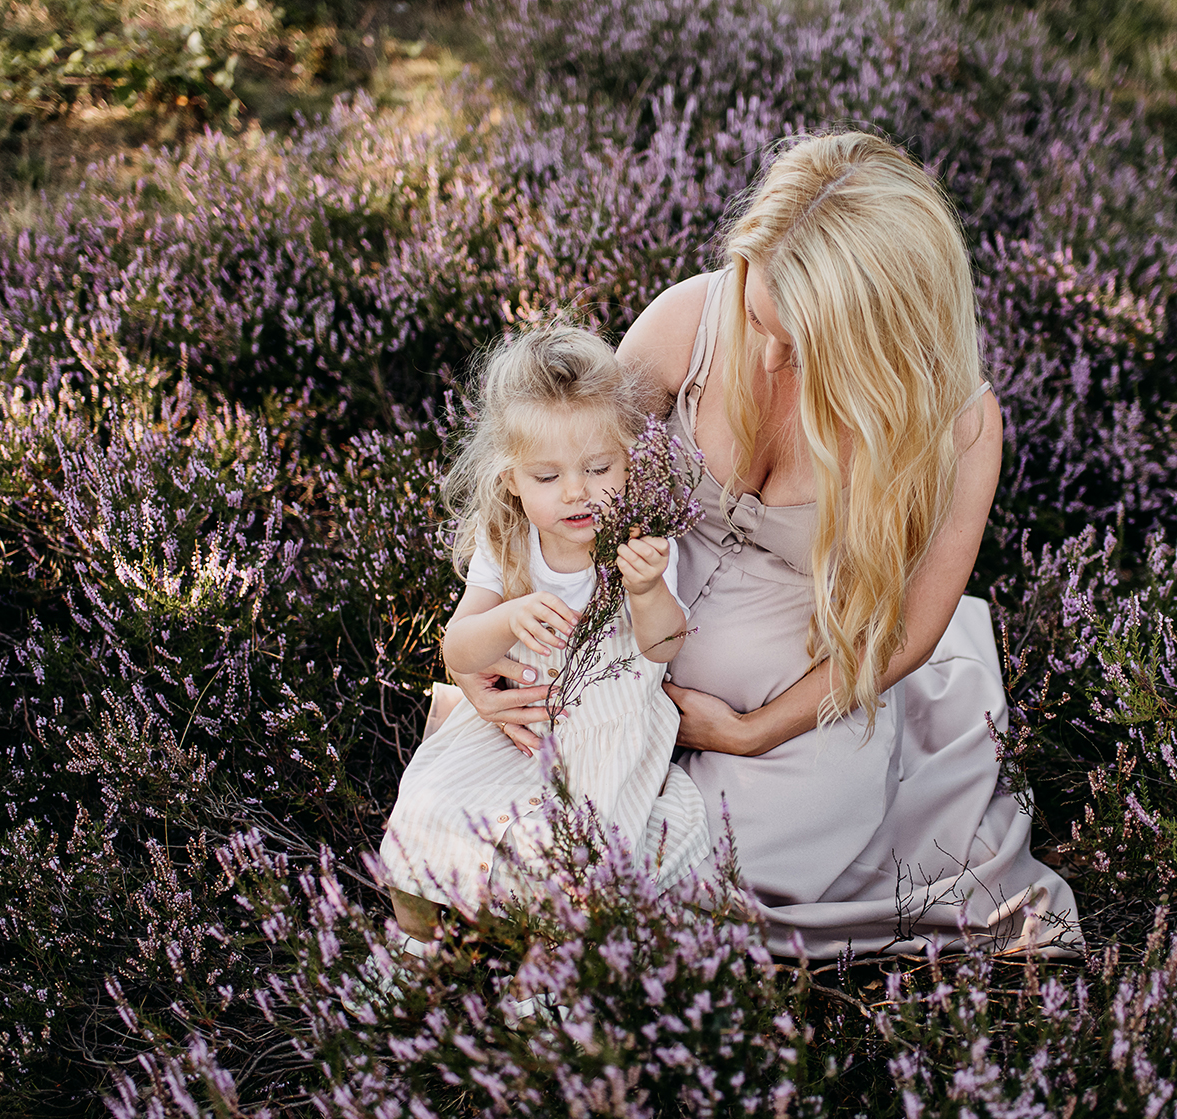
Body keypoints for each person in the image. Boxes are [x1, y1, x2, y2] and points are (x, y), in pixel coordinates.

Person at [454, 132, 1079, 958]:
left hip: (800, 676)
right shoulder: (692, 319)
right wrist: (478, 636)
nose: (774, 354)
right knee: (515, 817)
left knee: (722, 878)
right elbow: (556, 472)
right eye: (760, 317)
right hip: (631, 622)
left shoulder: (957, 423)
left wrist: (750, 734)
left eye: (812, 342)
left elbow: (905, 634)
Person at [379, 325, 714, 936]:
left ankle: (551, 976)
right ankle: (413, 948)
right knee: (424, 810)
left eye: (598, 467)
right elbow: (458, 648)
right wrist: (507, 616)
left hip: (608, 727)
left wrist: (647, 592)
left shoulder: (638, 538)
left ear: (629, 459)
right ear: (511, 479)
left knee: (574, 864)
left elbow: (665, 648)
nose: (577, 492)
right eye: (546, 476)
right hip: (517, 724)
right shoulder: (506, 539)